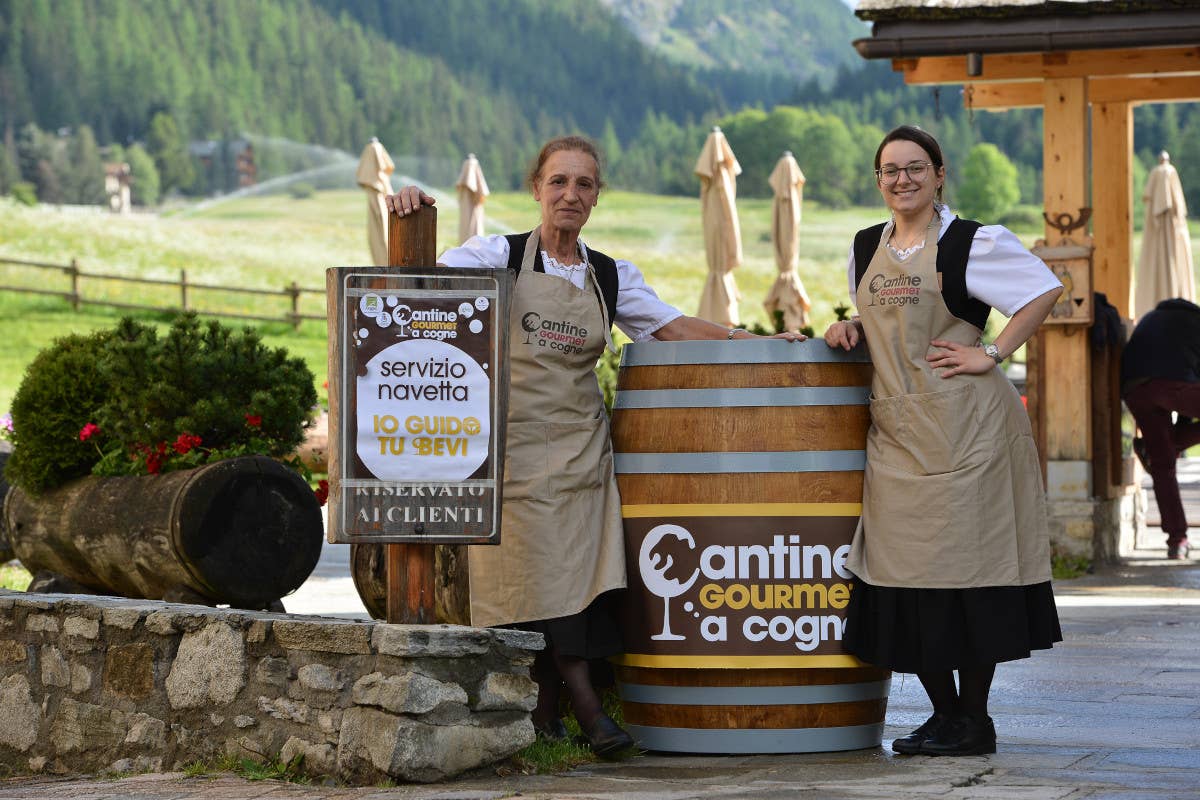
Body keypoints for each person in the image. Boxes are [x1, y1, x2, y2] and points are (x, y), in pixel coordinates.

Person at [388, 135, 803, 757]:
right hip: (513, 449)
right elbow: (420, 288)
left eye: (584, 185)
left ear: (596, 197)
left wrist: (753, 341)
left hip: (583, 449)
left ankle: (552, 710)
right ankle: (584, 709)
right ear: (536, 189)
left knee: (575, 582)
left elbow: (668, 326)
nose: (570, 195)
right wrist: (410, 210)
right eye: (558, 182)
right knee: (539, 578)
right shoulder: (496, 255)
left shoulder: (607, 275)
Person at [825, 125, 1064, 757]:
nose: (901, 180)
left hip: (969, 432)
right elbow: (884, 320)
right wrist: (848, 326)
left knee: (969, 574)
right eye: (889, 170)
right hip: (899, 433)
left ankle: (974, 719)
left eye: (914, 168)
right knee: (901, 572)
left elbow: (1044, 289)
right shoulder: (863, 246)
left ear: (938, 174)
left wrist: (992, 351)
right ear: (879, 181)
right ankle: (945, 713)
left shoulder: (970, 241)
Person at [1122, 298, 1200, 560]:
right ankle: (1173, 443)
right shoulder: (1195, 321)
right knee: (1164, 456)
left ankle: (1177, 541)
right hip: (1173, 386)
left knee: (1163, 464)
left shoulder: (1149, 319)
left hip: (1134, 390)